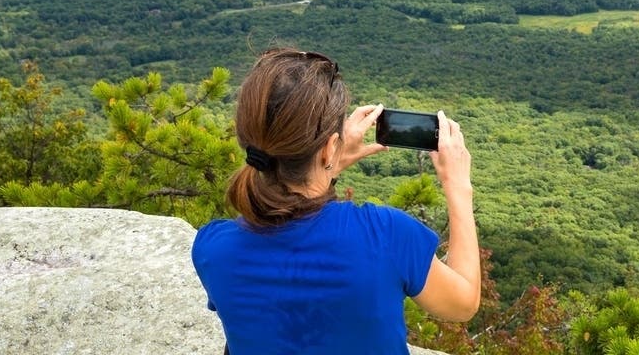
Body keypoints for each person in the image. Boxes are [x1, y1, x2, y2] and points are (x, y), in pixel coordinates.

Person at [191, 47, 480, 354]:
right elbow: (462, 304)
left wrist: (327, 165)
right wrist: (458, 184)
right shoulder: (386, 235)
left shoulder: (213, 248)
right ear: (330, 147)